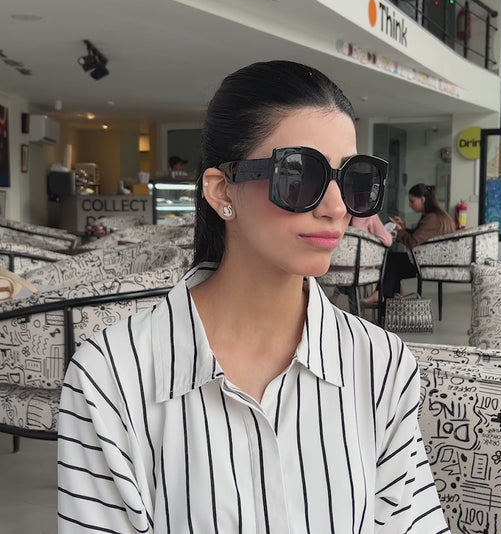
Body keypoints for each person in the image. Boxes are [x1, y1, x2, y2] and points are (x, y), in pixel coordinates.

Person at [57, 61, 449, 533]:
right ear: (223, 190)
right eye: (300, 174)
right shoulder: (111, 376)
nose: (336, 207)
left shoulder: (382, 363)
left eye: (353, 179)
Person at [364, 183, 456, 302]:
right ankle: (389, 300)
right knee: (394, 264)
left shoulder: (432, 218)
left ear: (422, 199)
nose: (409, 205)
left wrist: (400, 231)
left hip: (427, 262)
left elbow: (412, 242)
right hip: (434, 259)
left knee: (391, 261)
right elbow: (420, 236)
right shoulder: (437, 216)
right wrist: (404, 229)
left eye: (412, 201)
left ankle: (382, 295)